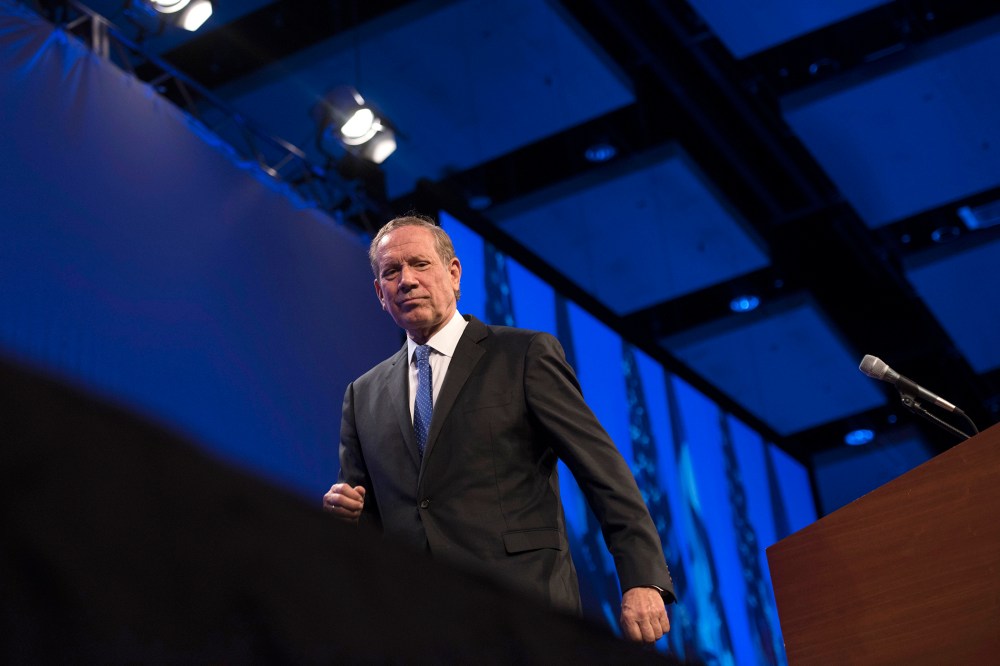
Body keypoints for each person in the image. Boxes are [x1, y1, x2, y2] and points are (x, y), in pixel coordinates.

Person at [323, 213, 675, 644]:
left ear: (454, 274)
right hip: (420, 627)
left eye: (419, 264)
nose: (406, 280)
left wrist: (643, 577)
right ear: (380, 293)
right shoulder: (363, 395)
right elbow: (369, 516)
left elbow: (602, 471)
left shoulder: (524, 355)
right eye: (391, 272)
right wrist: (348, 516)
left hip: (527, 611)